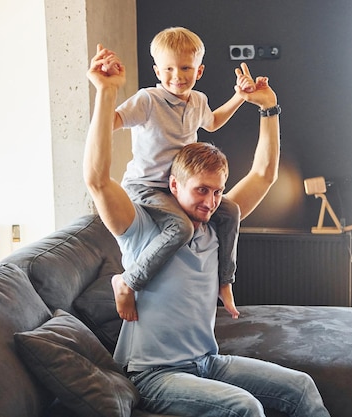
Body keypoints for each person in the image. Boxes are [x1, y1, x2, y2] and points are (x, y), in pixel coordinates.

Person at [85, 45, 331, 417]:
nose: (212, 201)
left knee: (301, 387)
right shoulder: (141, 226)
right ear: (174, 187)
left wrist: (268, 108)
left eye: (217, 191)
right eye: (202, 190)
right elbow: (98, 181)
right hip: (153, 374)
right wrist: (105, 93)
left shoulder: (217, 222)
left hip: (207, 361)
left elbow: (264, 174)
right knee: (244, 408)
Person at [109, 27, 255, 322]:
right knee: (181, 228)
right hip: (147, 186)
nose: (177, 75)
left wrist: (239, 97)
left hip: (180, 187)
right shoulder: (147, 100)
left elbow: (212, 123)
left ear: (199, 70)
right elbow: (112, 121)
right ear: (156, 70)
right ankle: (127, 282)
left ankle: (225, 282)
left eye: (186, 67)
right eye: (169, 69)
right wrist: (106, 89)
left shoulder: (198, 100)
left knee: (230, 211)